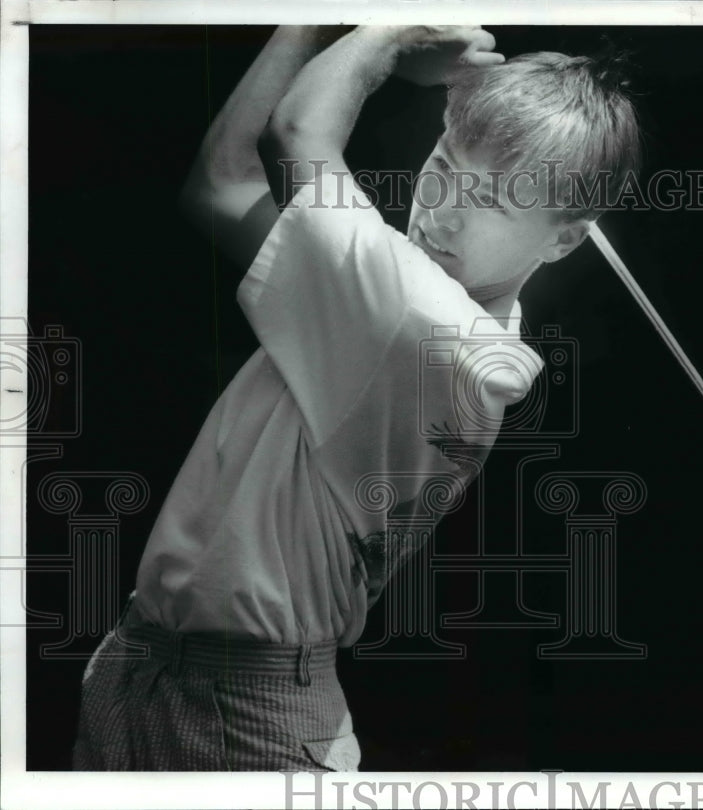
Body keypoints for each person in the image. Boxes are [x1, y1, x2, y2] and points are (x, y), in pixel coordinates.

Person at [72, 25, 641, 771]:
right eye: (444, 165)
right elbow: (222, 185)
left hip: (247, 717)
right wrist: (306, 26)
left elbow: (296, 130)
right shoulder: (392, 290)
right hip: (144, 665)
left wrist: (380, 37)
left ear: (563, 242)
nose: (442, 211)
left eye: (495, 202)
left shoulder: (428, 325)